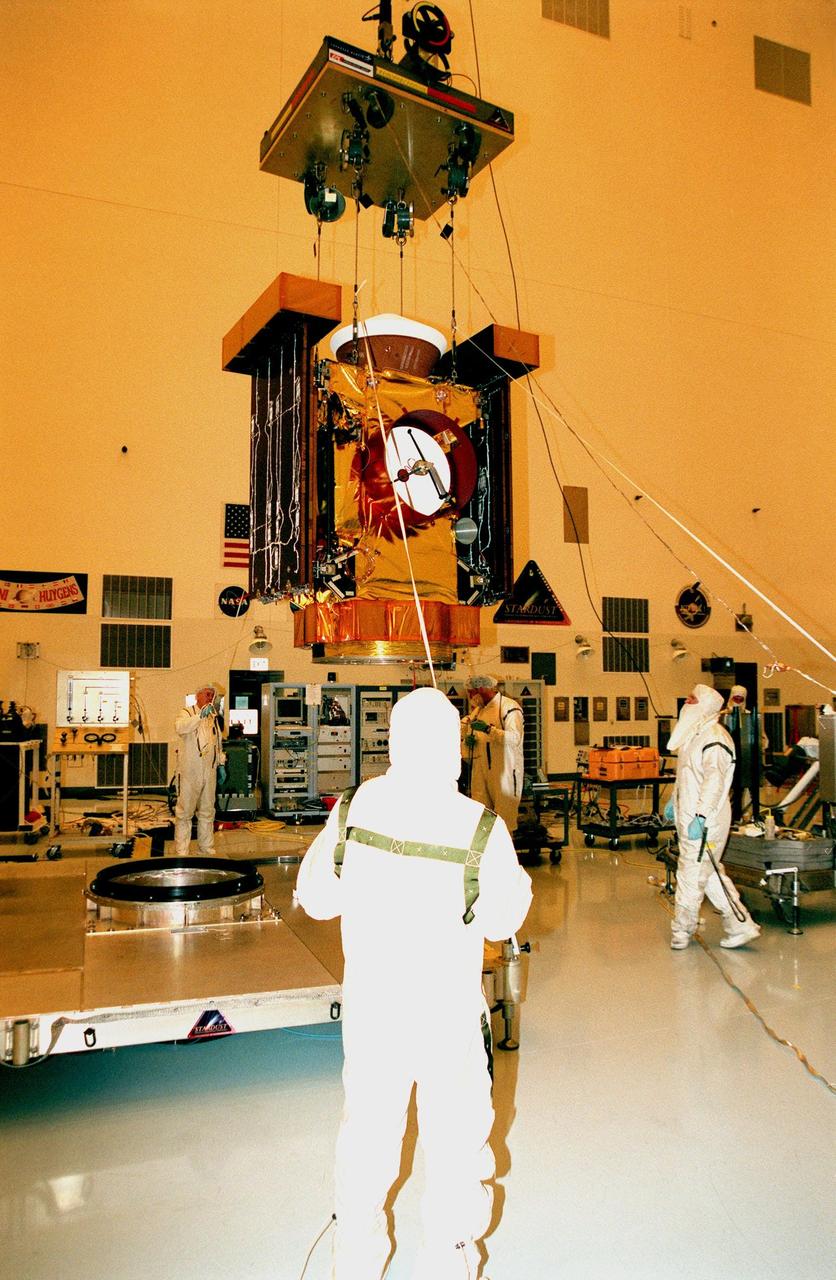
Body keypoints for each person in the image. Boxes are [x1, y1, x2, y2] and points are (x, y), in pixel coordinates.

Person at [296, 687, 532, 1280]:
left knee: (367, 1144)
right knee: (456, 1154)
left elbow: (317, 898)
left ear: (394, 741)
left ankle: (352, 1267)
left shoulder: (354, 808)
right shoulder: (479, 826)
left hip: (373, 1017)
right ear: (453, 748)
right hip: (448, 1021)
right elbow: (504, 919)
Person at [665, 684, 760, 950]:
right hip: (691, 816)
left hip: (706, 821)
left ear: (705, 706)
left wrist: (701, 816)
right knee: (710, 874)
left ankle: (682, 930)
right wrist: (673, 802)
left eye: (692, 699)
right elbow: (687, 778)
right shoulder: (695, 735)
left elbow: (714, 784)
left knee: (691, 874)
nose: (687, 702)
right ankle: (741, 925)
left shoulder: (715, 739)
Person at [461, 675, 525, 833]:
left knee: (504, 822)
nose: (470, 698)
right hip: (481, 771)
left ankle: (505, 856)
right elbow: (470, 734)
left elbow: (515, 738)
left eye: (471, 693)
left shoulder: (509, 707)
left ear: (481, 689)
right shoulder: (479, 711)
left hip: (505, 773)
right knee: (481, 818)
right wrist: (468, 741)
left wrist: (489, 730)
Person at [173, 684, 225, 855]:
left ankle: (206, 849)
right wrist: (198, 717)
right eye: (207, 694)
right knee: (185, 812)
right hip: (190, 772)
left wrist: (221, 765)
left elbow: (217, 743)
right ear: (198, 696)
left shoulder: (213, 718)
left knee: (207, 811)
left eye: (212, 695)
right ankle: (182, 851)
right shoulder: (187, 712)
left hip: (208, 772)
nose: (209, 698)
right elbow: (180, 727)